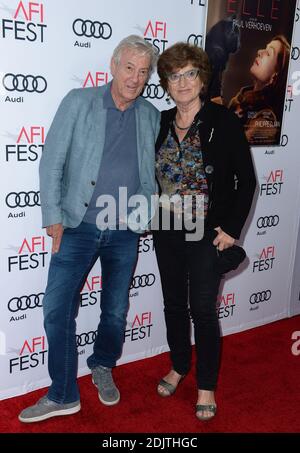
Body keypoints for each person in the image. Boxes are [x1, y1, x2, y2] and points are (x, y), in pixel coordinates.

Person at [18, 35, 160, 423]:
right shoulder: (79, 102)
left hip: (125, 231)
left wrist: (143, 215)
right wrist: (53, 218)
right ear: (113, 65)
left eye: (143, 71)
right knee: (56, 307)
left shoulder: (150, 114)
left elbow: (152, 176)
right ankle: (63, 393)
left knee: (114, 310)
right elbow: (51, 163)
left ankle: (102, 365)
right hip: (77, 227)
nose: (135, 77)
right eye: (129, 67)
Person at [153, 42, 256, 421]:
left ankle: (206, 385)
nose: (182, 82)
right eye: (174, 76)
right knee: (173, 305)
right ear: (165, 82)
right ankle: (180, 365)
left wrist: (230, 229)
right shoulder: (161, 121)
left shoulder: (223, 121)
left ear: (201, 78)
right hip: (165, 228)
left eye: (189, 74)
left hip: (206, 232)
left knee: (203, 310)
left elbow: (246, 182)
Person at [228, 35, 290, 145]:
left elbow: (234, 151)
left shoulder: (266, 121)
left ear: (274, 77)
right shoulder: (240, 99)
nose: (260, 51)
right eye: (264, 48)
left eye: (269, 53)